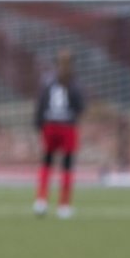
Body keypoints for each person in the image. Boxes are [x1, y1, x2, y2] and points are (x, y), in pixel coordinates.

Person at [33, 49, 85, 219]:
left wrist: (39, 124)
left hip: (50, 125)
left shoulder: (48, 80)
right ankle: (64, 206)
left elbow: (41, 104)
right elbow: (80, 107)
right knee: (67, 166)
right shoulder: (74, 82)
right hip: (67, 126)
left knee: (47, 162)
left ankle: (41, 201)